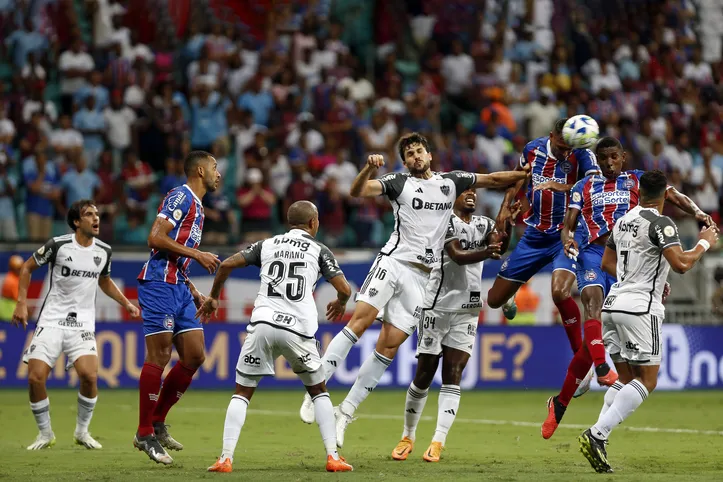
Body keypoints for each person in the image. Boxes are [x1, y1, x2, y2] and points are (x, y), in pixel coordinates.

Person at [298, 132, 528, 447]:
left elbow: (494, 178)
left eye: (419, 151)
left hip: (424, 278)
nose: (415, 156)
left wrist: (528, 173)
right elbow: (357, 191)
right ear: (405, 161)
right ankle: (315, 389)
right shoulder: (398, 182)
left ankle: (345, 413)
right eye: (409, 154)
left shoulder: (452, 182)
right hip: (394, 263)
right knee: (360, 321)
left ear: (430, 156)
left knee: (388, 347)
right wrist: (368, 168)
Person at [541, 138, 713, 439]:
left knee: (593, 347)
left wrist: (698, 212)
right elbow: (568, 223)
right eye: (603, 158)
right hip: (595, 253)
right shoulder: (585, 185)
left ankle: (560, 403)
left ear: (623, 157)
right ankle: (600, 368)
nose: (608, 163)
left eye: (613, 158)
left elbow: (673, 195)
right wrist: (567, 238)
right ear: (597, 159)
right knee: (591, 303)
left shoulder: (635, 180)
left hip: (624, 262)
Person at [197, 201, 354, 473]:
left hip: (263, 323)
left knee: (242, 392)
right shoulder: (319, 250)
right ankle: (333, 457)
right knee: (318, 391)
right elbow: (344, 288)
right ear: (313, 223)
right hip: (298, 330)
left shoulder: (266, 244)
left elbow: (225, 265)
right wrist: (340, 302)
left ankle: (225, 458)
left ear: (288, 222)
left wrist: (213, 297)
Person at [578, 170, 719, 473]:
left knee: (628, 380)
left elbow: (606, 264)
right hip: (641, 308)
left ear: (639, 191)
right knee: (649, 381)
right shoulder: (661, 223)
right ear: (665, 196)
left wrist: (636, 279)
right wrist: (704, 243)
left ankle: (599, 439)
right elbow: (681, 264)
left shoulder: (622, 220)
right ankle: (597, 434)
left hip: (613, 304)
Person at [391, 189, 518, 462]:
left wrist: (506, 224)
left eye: (474, 192)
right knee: (424, 373)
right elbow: (457, 255)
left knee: (454, 371)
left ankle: (438, 441)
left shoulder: (483, 224)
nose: (471, 195)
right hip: (436, 307)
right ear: (453, 198)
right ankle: (408, 435)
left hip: (468, 310)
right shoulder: (444, 221)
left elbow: (498, 247)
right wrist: (487, 249)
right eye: (464, 192)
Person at [11, 200, 140, 450]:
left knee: (90, 376)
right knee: (36, 378)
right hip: (52, 320)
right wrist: (21, 302)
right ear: (76, 222)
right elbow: (26, 268)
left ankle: (82, 432)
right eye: (89, 214)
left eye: (97, 214)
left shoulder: (104, 251)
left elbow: (105, 281)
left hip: (82, 324)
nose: (96, 218)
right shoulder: (58, 245)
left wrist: (126, 303)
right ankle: (45, 434)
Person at [133, 151, 221, 465]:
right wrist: (197, 256)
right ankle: (144, 432)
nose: (218, 174)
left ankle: (157, 421)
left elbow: (177, 256)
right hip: (158, 283)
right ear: (200, 170)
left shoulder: (199, 208)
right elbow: (154, 237)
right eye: (214, 168)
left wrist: (194, 289)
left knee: (195, 355)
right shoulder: (180, 196)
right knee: (159, 355)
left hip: (180, 286)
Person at [487, 118, 600, 356]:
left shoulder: (581, 154)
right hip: (535, 234)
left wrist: (566, 188)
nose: (564, 152)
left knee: (559, 292)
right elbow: (517, 177)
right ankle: (511, 294)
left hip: (567, 233)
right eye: (560, 147)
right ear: (551, 136)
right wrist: (504, 208)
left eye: (568, 147)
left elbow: (597, 185)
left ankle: (579, 359)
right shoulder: (533, 149)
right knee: (494, 300)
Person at [1, 255, 24, 321]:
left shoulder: (9, 277)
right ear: (13, 268)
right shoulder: (12, 280)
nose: (20, 270)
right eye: (18, 268)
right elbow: (18, 299)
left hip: (5, 310)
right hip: (10, 311)